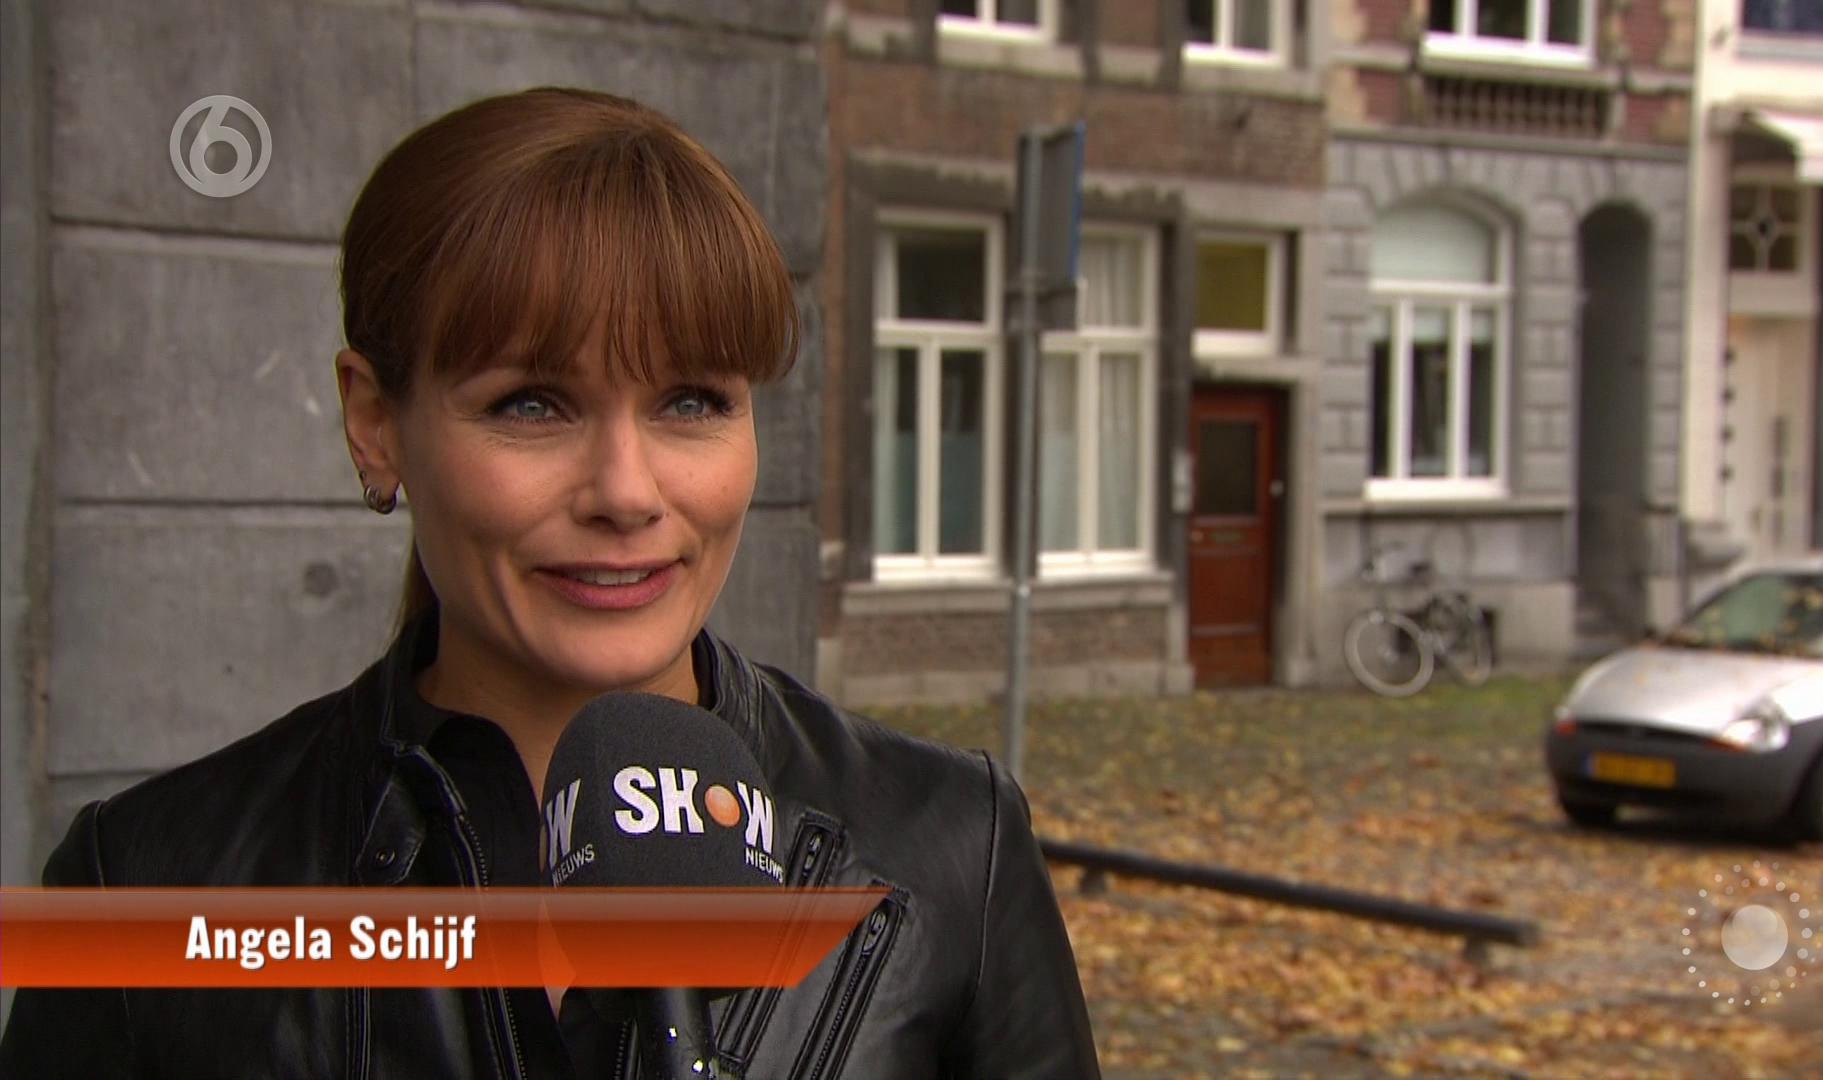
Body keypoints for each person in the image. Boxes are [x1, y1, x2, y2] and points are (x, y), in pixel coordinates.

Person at [0, 87, 1101, 1080]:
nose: (626, 491)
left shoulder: (952, 845)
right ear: (376, 424)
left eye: (691, 401)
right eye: (532, 404)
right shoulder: (144, 885)